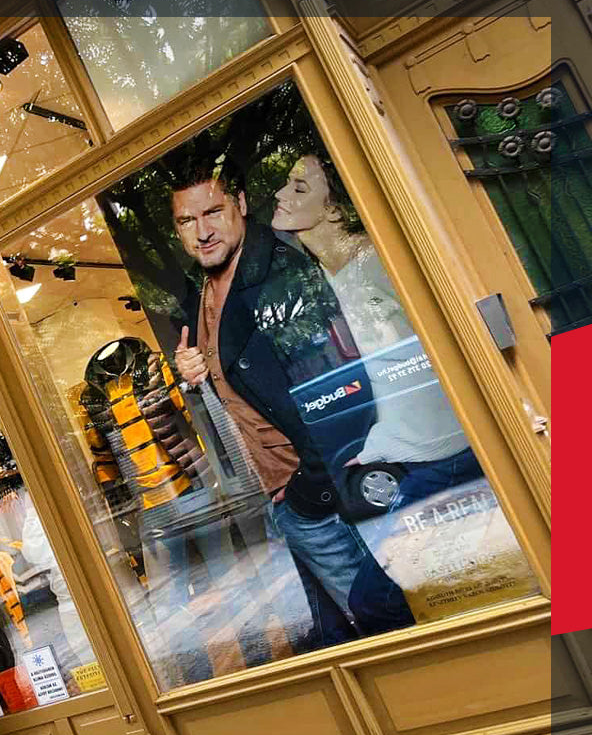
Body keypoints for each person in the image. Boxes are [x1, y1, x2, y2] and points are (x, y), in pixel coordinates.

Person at [170, 164, 415, 646]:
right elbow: (240, 378)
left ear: (241, 204)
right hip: (280, 499)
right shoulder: (203, 288)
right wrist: (193, 373)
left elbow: (342, 391)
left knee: (389, 635)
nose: (202, 232)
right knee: (340, 642)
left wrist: (309, 495)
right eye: (186, 221)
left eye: (213, 212)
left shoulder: (280, 274)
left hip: (320, 496)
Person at [269, 153, 483, 507]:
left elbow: (457, 337)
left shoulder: (380, 261)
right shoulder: (320, 276)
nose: (280, 193)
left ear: (334, 210)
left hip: (451, 451)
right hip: (400, 457)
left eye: (299, 188)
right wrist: (379, 443)